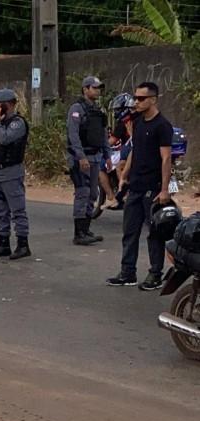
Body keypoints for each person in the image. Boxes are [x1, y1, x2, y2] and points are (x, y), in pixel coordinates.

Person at [107, 82, 174, 290]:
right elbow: (135, 151)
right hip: (135, 186)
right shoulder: (137, 122)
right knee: (130, 231)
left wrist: (164, 190)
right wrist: (124, 176)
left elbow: (166, 158)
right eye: (136, 98)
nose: (137, 102)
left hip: (151, 188)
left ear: (153, 99)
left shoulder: (162, 125)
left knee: (154, 233)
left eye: (141, 98)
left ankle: (155, 274)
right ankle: (128, 272)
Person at [67, 76, 112, 246]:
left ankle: (85, 230)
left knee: (93, 194)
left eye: (99, 87)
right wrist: (81, 157)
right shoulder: (76, 109)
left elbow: (103, 135)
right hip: (81, 158)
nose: (97, 90)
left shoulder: (98, 111)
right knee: (83, 193)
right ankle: (79, 233)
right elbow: (73, 135)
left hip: (95, 157)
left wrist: (107, 156)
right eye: (94, 87)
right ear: (85, 89)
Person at [0, 88, 31, 261]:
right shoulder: (1, 123)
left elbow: (5, 139)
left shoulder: (17, 123)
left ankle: (22, 244)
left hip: (11, 171)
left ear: (8, 104)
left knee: (17, 210)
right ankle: (3, 243)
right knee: (1, 210)